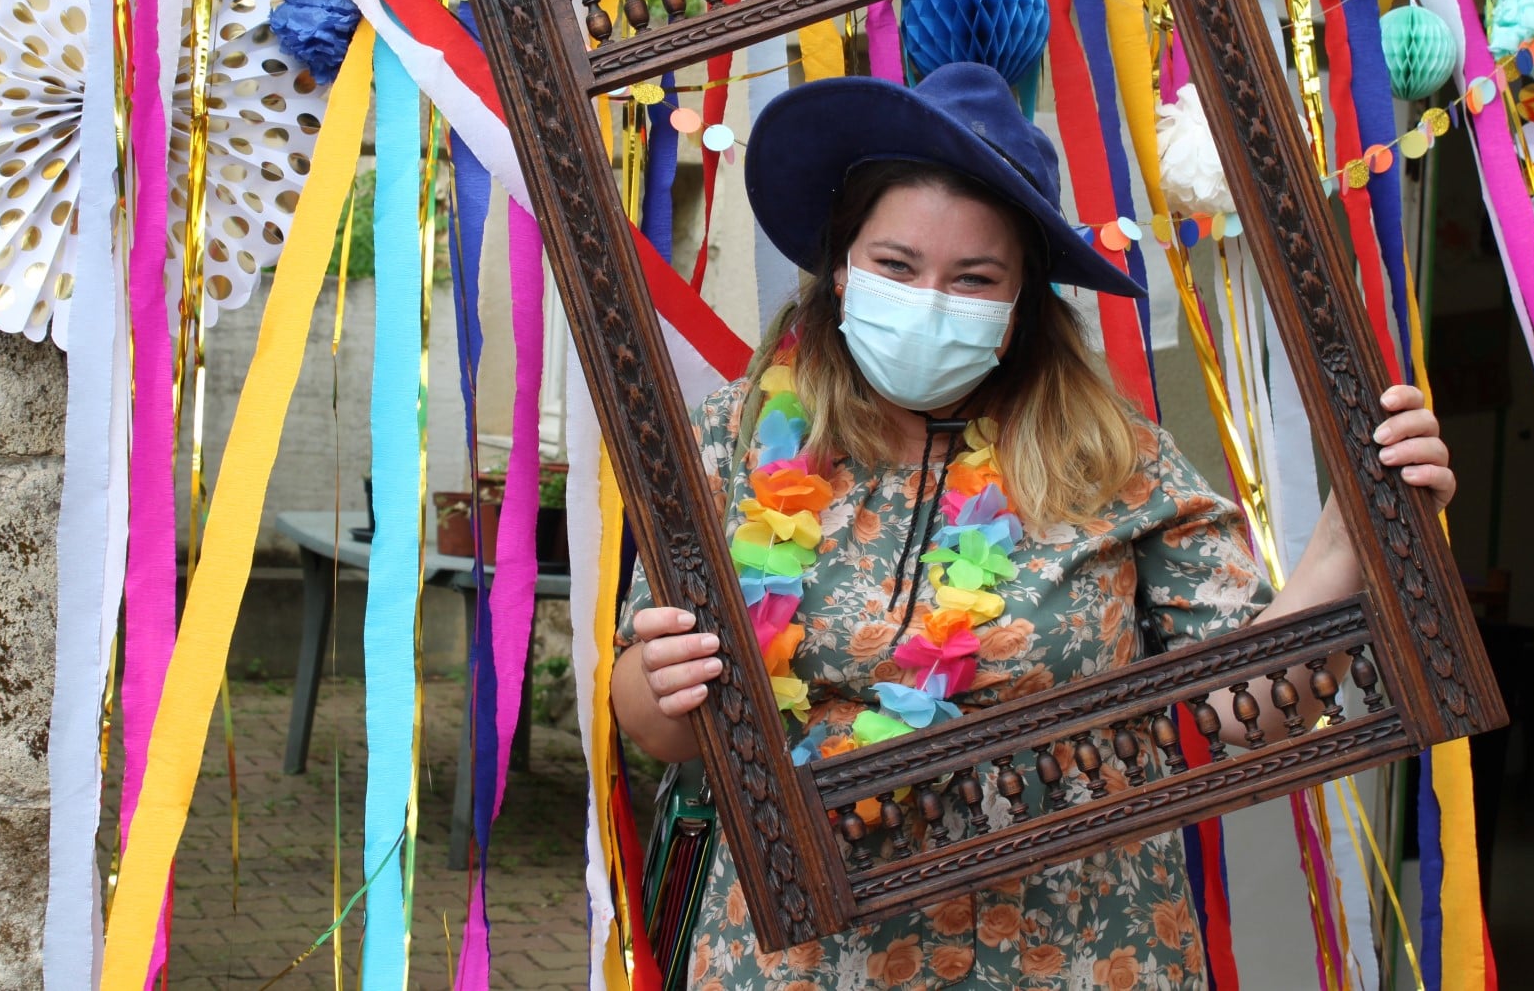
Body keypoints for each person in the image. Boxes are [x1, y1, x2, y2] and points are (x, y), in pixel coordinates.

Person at [610, 62, 1454, 990]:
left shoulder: (1115, 460)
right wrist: (659, 681)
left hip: (1080, 953)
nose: (931, 299)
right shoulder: (734, 438)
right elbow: (655, 723)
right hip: (797, 962)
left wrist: (1347, 543)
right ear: (842, 270)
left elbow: (1245, 711)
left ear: (1017, 310)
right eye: (897, 266)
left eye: (974, 278)